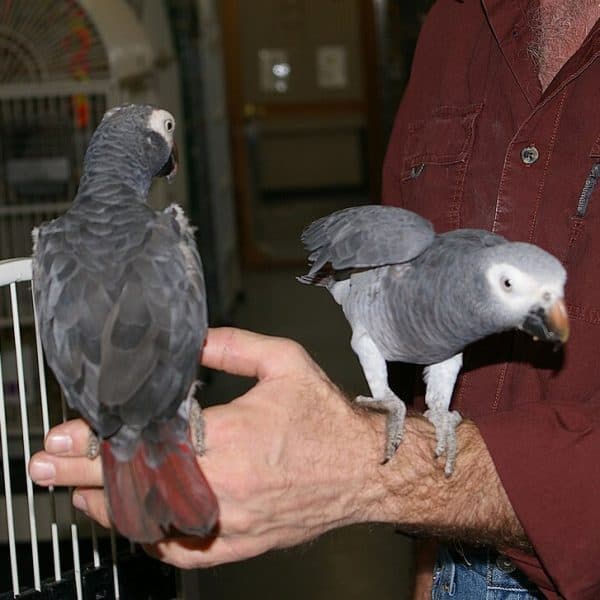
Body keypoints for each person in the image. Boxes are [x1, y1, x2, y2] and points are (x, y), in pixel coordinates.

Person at [29, 1, 600, 598]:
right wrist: (432, 566)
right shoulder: (452, 25)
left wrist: (362, 471)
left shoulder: (82, 245)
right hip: (455, 552)